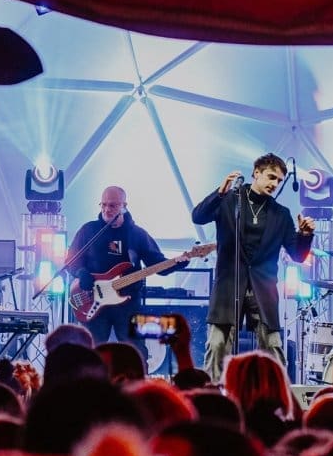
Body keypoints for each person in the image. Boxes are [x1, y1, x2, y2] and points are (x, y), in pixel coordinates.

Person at [192, 153, 314, 380]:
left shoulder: (281, 214)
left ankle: (278, 393)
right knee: (217, 344)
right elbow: (198, 217)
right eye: (271, 177)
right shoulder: (229, 200)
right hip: (229, 285)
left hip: (263, 289)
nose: (275, 184)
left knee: (273, 347)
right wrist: (220, 193)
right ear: (256, 173)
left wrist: (306, 235)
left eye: (279, 180)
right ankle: (213, 394)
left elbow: (297, 255)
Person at [67, 185, 179, 353]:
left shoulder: (137, 234)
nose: (107, 209)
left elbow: (157, 264)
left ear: (124, 206)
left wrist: (179, 262)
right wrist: (81, 273)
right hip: (93, 300)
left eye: (112, 205)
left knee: (136, 351)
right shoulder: (89, 230)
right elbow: (71, 260)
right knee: (90, 352)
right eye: (103, 204)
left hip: (128, 303)